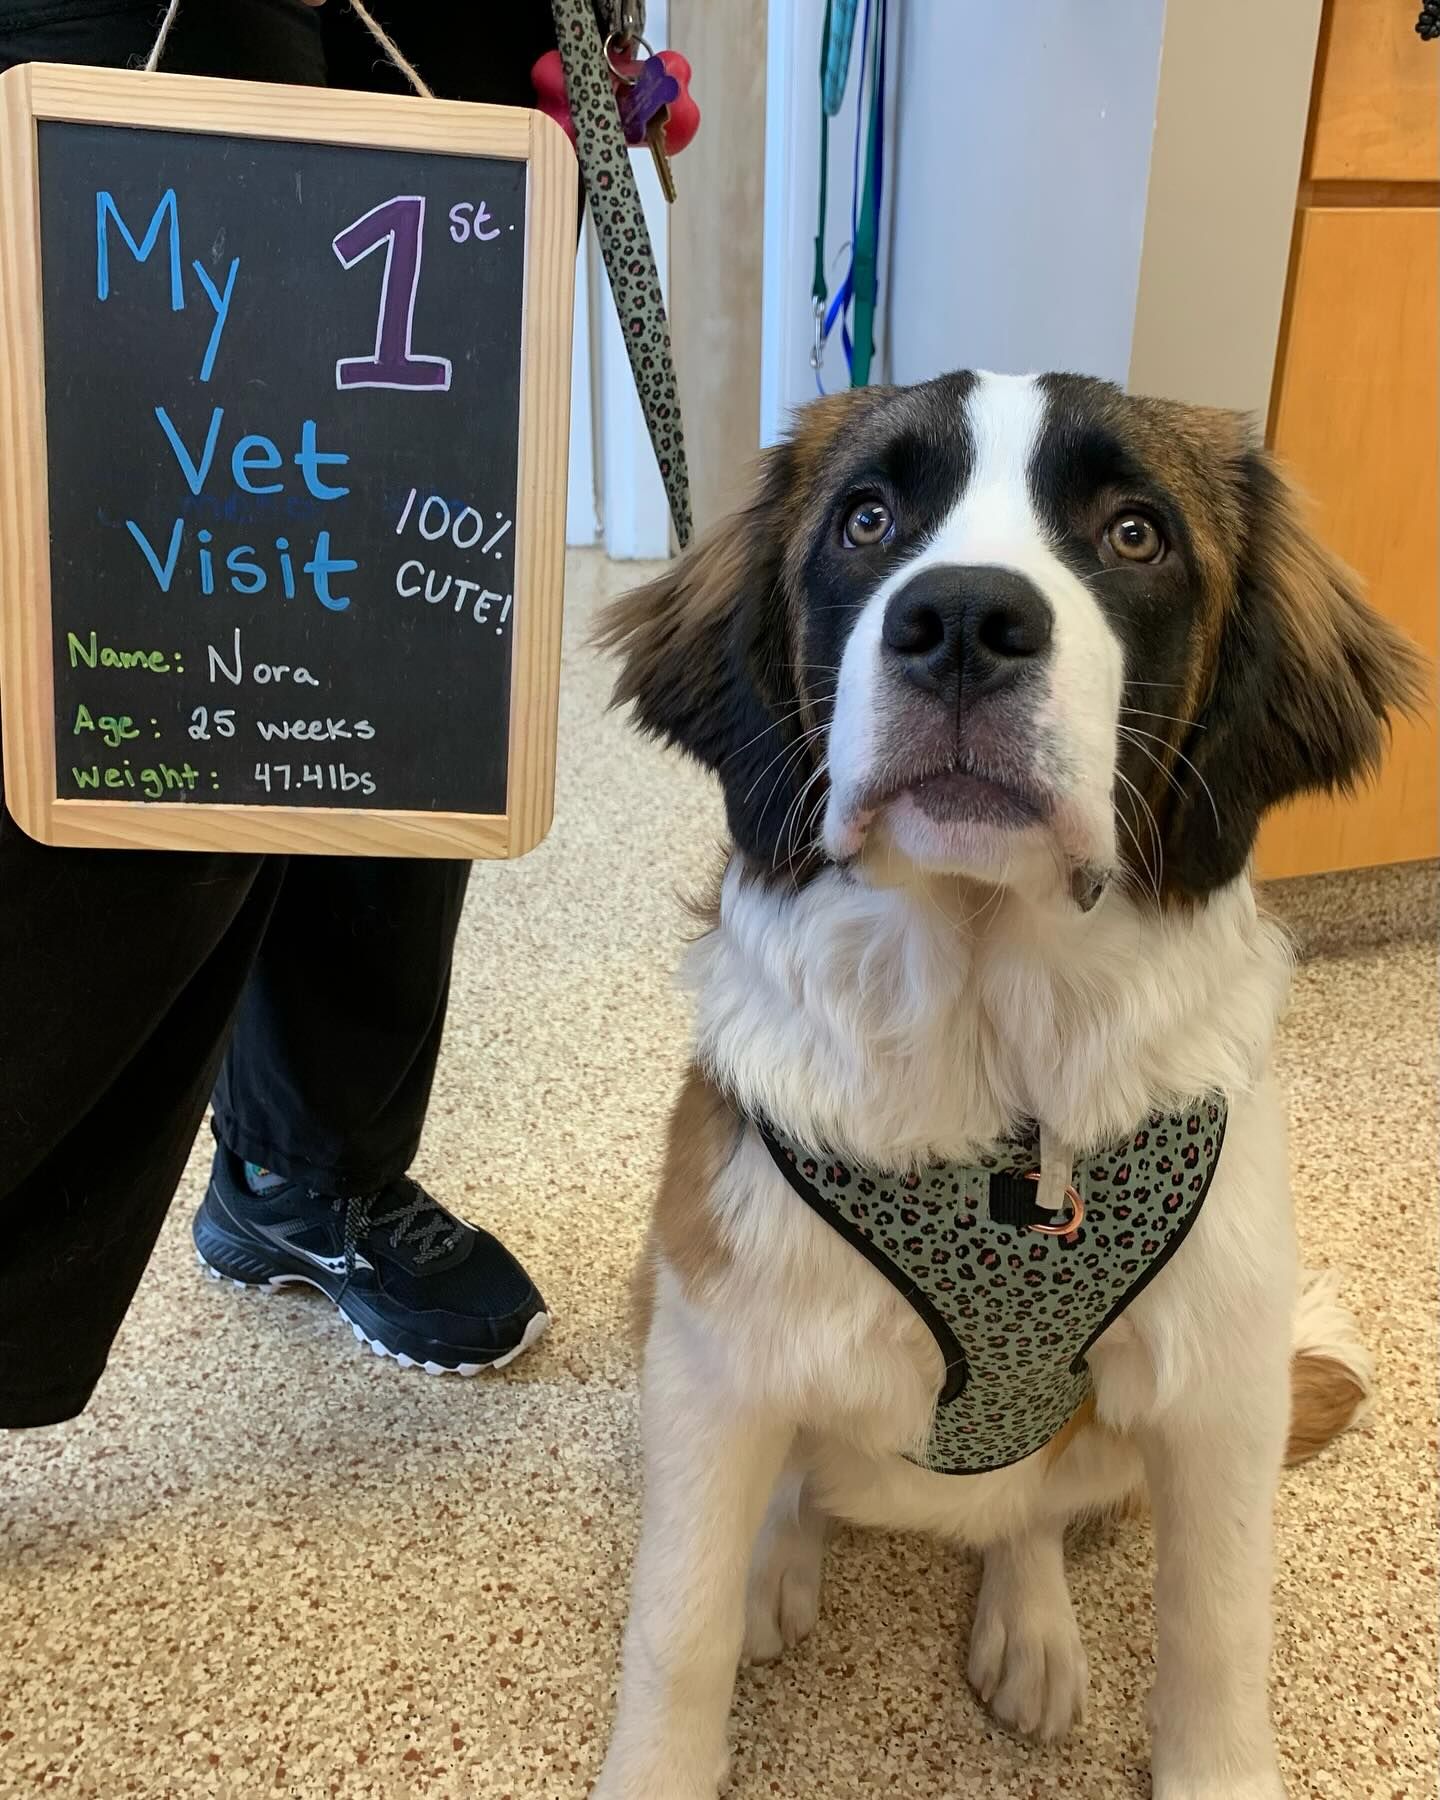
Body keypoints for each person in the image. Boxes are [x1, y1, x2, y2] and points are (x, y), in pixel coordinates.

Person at [0, 0, 568, 1429]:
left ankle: (309, 1178)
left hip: (454, 36)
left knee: (394, 671)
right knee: (99, 710)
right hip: (112, 25)